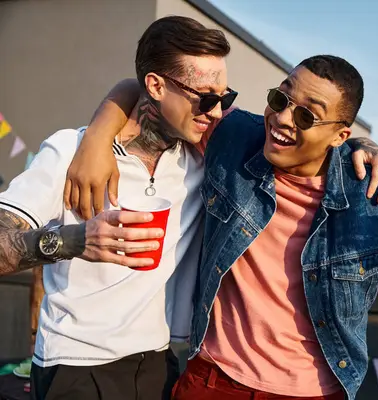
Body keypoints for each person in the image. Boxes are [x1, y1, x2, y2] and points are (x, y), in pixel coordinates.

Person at [65, 55, 378, 399]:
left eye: (306, 115)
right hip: (213, 381)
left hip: (314, 391)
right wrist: (96, 140)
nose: (281, 119)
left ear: (341, 135)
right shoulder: (234, 136)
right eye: (280, 98)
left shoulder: (374, 189)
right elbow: (146, 88)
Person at [0, 16, 232, 400]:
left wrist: (366, 149)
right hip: (76, 364)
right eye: (206, 98)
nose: (217, 111)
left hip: (158, 363)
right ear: (156, 86)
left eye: (226, 97)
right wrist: (73, 241)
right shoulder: (69, 152)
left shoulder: (202, 156)